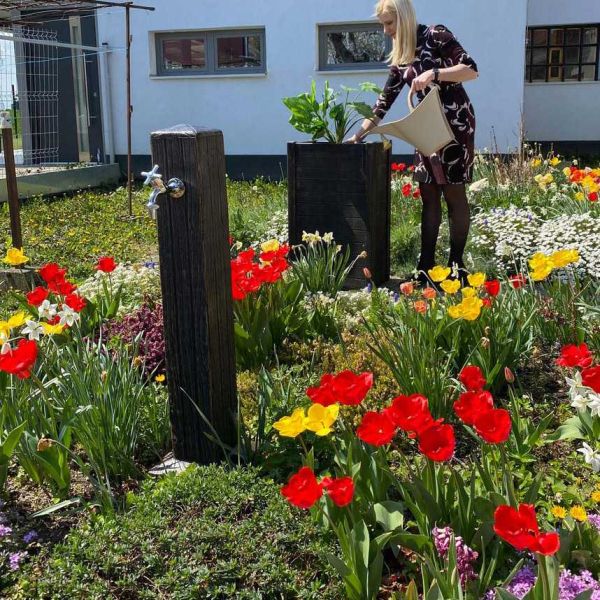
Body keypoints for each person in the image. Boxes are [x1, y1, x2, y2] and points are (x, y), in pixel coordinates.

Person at [346, 0, 478, 286]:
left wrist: (436, 74)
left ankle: (457, 267)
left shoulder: (436, 35)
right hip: (424, 127)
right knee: (428, 195)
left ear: (404, 18)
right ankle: (425, 268)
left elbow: (470, 69)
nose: (385, 30)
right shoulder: (401, 57)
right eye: (382, 24)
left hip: (455, 126)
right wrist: (358, 135)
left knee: (454, 196)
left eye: (389, 23)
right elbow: (382, 104)